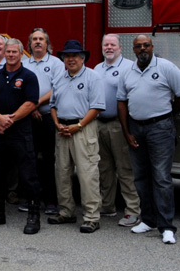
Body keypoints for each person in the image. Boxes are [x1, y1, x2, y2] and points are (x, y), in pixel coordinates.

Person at [118, 34, 180, 245]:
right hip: (135, 128)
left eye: (146, 45)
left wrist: (166, 114)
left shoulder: (166, 67)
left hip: (160, 128)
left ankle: (167, 226)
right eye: (138, 46)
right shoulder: (128, 72)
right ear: (133, 49)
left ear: (152, 46)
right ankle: (148, 220)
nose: (142, 49)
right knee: (141, 177)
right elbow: (121, 101)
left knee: (161, 178)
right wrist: (127, 132)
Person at [0, 39, 42, 234]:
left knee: (28, 175)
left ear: (21, 53)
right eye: (9, 52)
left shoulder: (29, 76)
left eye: (15, 52)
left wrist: (9, 120)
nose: (11, 54)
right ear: (4, 53)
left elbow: (31, 102)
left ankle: (33, 217)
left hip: (20, 133)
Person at [48, 40, 105, 233]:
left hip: (83, 127)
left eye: (74, 56)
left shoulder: (93, 77)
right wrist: (57, 123)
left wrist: (78, 125)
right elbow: (53, 105)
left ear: (83, 58)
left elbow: (96, 107)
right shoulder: (59, 78)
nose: (70, 59)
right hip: (62, 128)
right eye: (67, 56)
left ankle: (91, 217)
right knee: (62, 173)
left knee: (87, 173)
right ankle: (66, 212)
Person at [94, 34, 141, 227]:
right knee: (104, 168)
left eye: (113, 44)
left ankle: (132, 210)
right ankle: (107, 205)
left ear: (120, 47)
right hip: (99, 124)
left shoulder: (129, 67)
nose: (109, 47)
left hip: (118, 124)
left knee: (125, 169)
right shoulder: (97, 68)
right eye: (106, 44)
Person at [22, 28, 63, 215]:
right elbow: (19, 89)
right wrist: (30, 109)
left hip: (47, 117)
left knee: (49, 160)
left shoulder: (56, 63)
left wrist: (35, 104)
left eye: (41, 39)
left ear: (47, 44)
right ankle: (31, 199)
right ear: (29, 44)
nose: (38, 42)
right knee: (29, 158)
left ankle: (51, 201)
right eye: (34, 39)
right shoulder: (23, 63)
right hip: (28, 118)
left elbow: (57, 88)